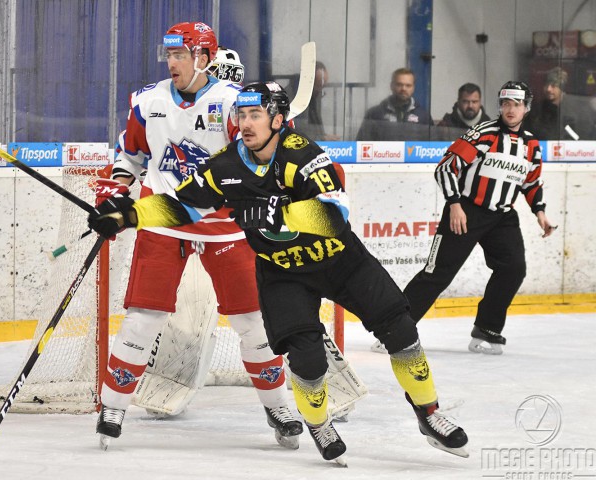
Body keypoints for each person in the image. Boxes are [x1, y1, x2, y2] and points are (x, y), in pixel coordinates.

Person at [88, 81, 470, 464]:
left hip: (341, 262)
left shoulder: (303, 154)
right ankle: (319, 423)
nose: (245, 123)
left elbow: (334, 216)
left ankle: (429, 414)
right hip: (284, 274)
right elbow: (180, 206)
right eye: (241, 115)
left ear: (277, 120)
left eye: (255, 115)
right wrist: (126, 216)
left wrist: (278, 213)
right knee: (307, 362)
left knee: (401, 330)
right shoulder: (225, 166)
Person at [96, 22, 302, 451]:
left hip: (224, 226)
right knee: (143, 319)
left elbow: (263, 153)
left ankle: (279, 406)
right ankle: (112, 407)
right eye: (169, 55)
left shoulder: (233, 104)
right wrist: (114, 194)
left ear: (204, 58)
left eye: (181, 55)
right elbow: (130, 156)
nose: (172, 63)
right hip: (163, 221)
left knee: (252, 322)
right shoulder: (147, 101)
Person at [373, 81, 556, 356]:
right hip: (467, 210)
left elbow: (531, 182)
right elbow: (446, 168)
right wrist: (455, 204)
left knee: (513, 268)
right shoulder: (484, 134)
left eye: (517, 104)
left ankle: (486, 329)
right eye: (506, 103)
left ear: (526, 108)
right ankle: (393, 330)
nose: (510, 109)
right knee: (437, 274)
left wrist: (539, 212)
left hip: (502, 216)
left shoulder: (531, 145)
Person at [356, 67, 433, 140]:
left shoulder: (423, 116)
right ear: (391, 86)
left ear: (413, 88)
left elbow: (433, 145)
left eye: (408, 85)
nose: (403, 89)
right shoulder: (374, 113)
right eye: (399, 84)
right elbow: (361, 144)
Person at [527, 67, 596, 140]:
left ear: (561, 87)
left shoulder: (576, 109)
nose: (548, 89)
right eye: (546, 85)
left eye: (553, 86)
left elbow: (584, 134)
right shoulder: (538, 110)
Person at [296, 61, 339, 141]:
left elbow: (313, 127)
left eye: (323, 86)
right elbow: (298, 130)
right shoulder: (295, 99)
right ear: (309, 83)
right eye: (319, 86)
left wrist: (323, 136)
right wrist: (321, 138)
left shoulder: (315, 96)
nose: (321, 91)